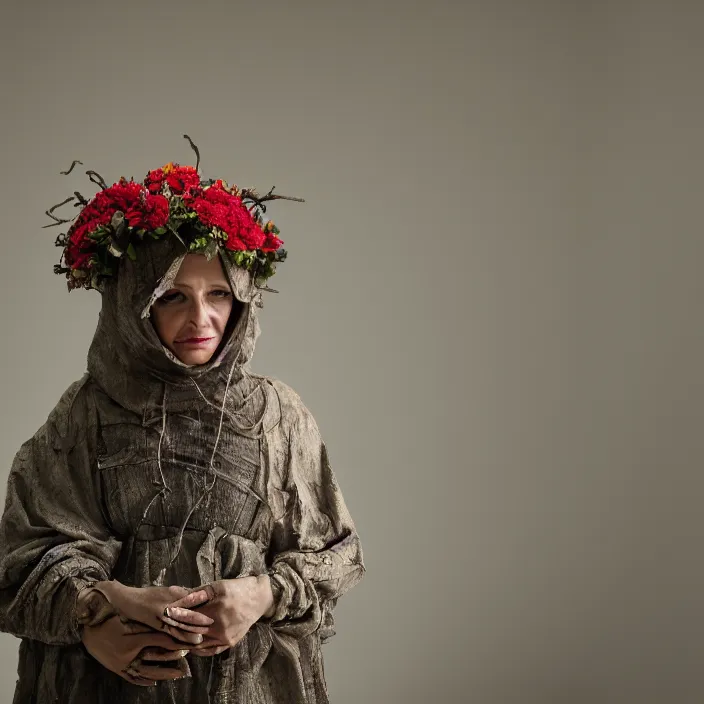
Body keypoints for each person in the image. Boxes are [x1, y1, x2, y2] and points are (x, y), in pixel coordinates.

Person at [0, 146, 365, 703]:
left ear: (243, 299)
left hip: (249, 686)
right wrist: (96, 617)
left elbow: (335, 554)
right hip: (105, 690)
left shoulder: (277, 416)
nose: (202, 319)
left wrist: (262, 594)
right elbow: (25, 554)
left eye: (218, 293)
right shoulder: (85, 414)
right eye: (172, 297)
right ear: (132, 305)